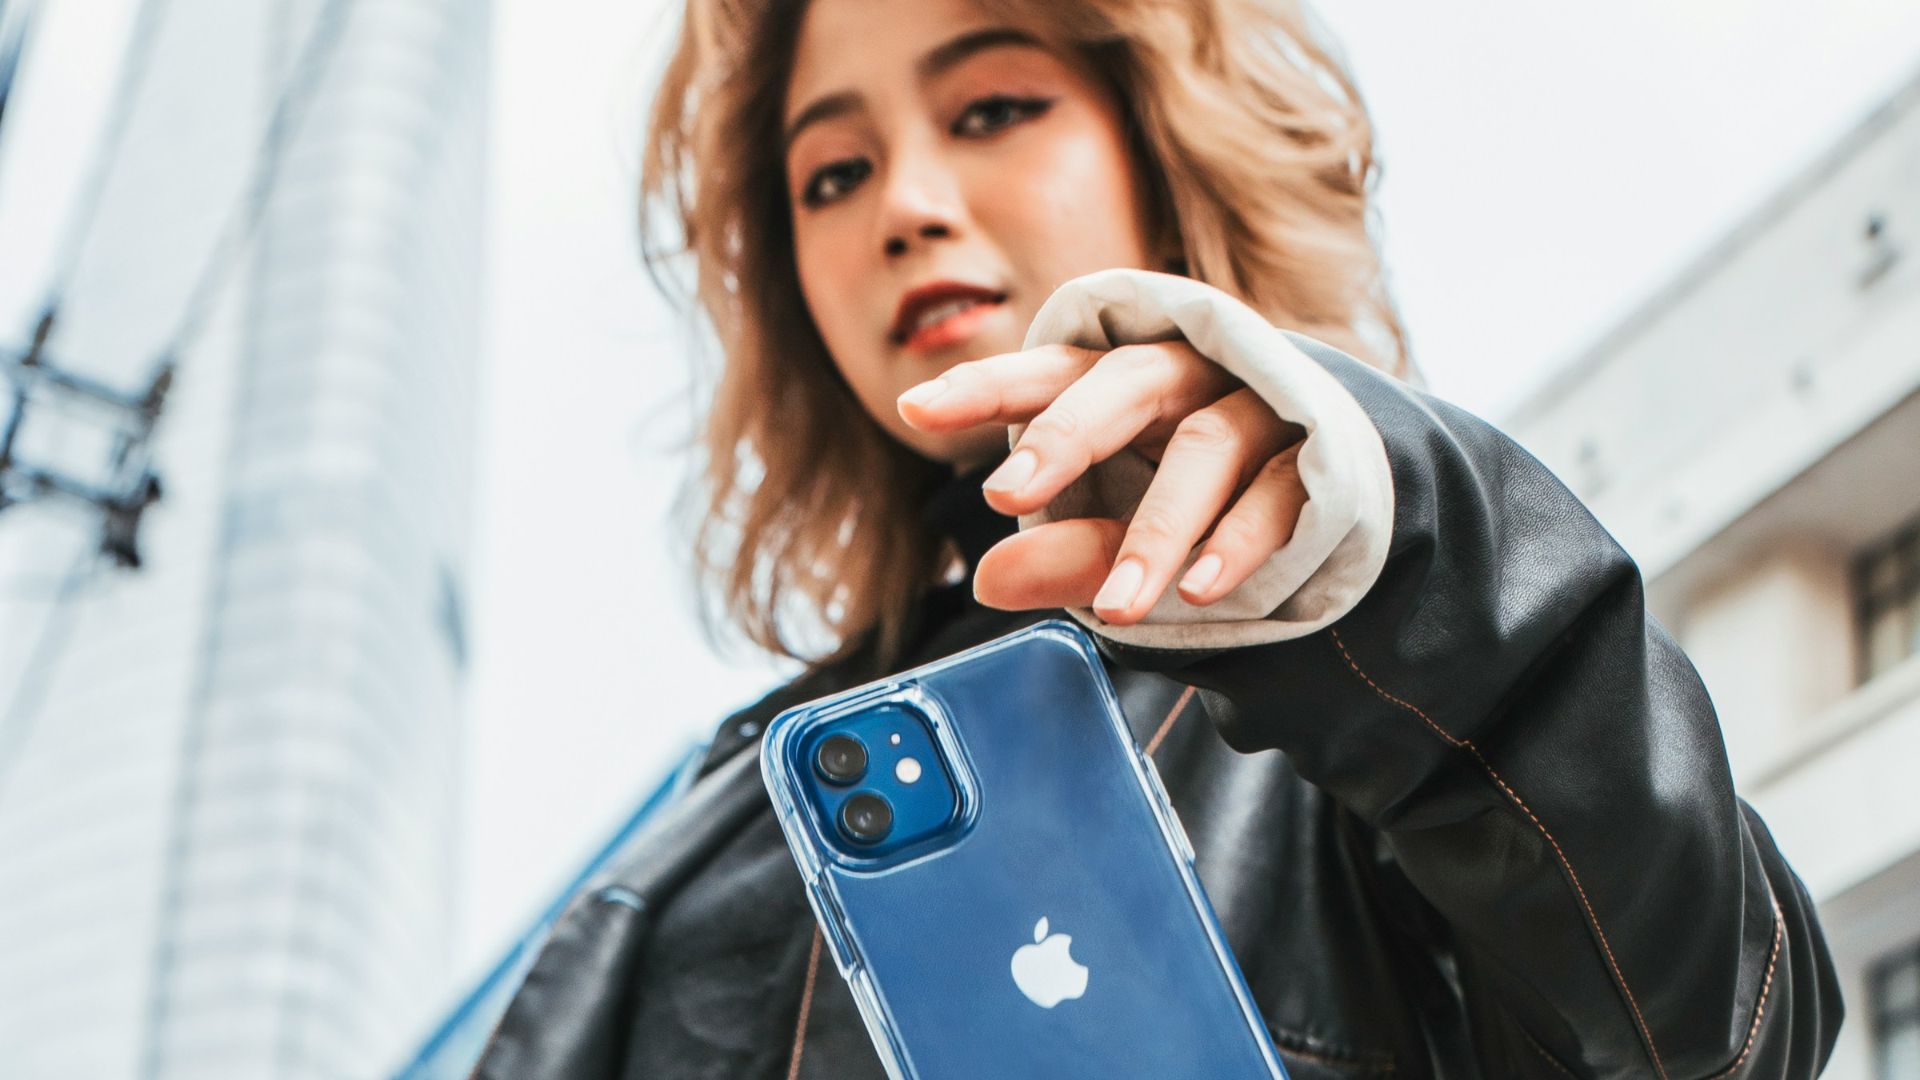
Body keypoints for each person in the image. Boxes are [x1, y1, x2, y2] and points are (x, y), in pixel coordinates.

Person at [474, 0, 1845, 1076]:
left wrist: (1407, 571)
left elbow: (1723, 1026)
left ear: (1161, 136)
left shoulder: (1386, 732)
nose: (905, 205)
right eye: (832, 172)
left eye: (995, 105)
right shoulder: (732, 817)